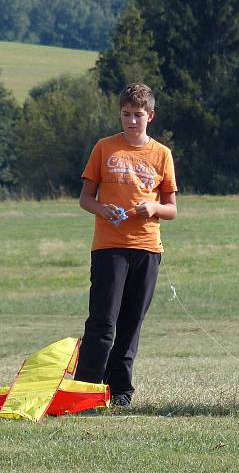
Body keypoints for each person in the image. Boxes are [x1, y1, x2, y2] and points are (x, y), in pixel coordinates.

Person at [74, 82, 178, 408]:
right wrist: (102, 208)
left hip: (147, 248)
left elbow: (172, 209)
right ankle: (86, 390)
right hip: (109, 246)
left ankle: (120, 392)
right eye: (126, 114)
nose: (131, 121)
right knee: (104, 321)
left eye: (138, 115)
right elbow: (85, 198)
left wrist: (154, 209)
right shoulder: (105, 148)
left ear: (151, 116)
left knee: (131, 323)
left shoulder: (161, 154)